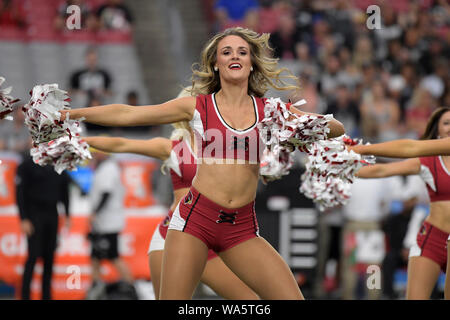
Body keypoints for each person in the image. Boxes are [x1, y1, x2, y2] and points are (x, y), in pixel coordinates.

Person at [62, 27, 346, 300]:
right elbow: (128, 114)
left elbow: (337, 128)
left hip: (242, 228)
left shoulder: (270, 111)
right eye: (226, 52)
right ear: (216, 65)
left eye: (242, 52)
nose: (234, 56)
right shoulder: (198, 106)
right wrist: (68, 115)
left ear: (252, 64)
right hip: (194, 223)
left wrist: (299, 124)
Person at [83, 118, 259, 300]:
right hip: (178, 232)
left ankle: (120, 288)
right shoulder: (175, 148)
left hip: (214, 231)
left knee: (247, 297)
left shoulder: (227, 148)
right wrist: (79, 140)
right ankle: (112, 289)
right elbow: (123, 134)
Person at [349, 107, 450, 299]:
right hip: (433, 239)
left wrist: (362, 148)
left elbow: (411, 148)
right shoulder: (429, 161)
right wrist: (340, 164)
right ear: (437, 131)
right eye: (446, 123)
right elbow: (384, 168)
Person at [15, 146, 72, 300]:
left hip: (52, 213)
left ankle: (46, 296)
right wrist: (24, 218)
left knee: (49, 257)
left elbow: (64, 189)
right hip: (34, 214)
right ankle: (25, 296)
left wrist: (67, 214)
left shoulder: (57, 163)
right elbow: (20, 193)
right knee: (33, 256)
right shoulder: (27, 164)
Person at [86, 147, 136, 300]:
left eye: (95, 153)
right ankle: (96, 285)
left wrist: (95, 212)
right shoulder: (105, 168)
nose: (93, 156)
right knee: (95, 256)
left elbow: (106, 193)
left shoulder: (109, 169)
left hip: (108, 221)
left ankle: (131, 286)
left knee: (113, 255)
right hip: (103, 222)